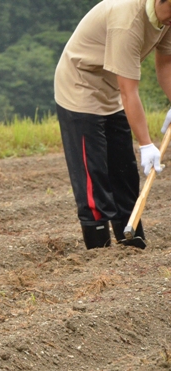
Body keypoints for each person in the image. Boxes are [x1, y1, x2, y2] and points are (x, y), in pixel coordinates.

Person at [54, 0, 171, 250]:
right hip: (80, 87)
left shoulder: (167, 18)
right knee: (93, 173)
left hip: (111, 88)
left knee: (123, 171)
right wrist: (146, 143)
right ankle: (98, 251)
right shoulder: (127, 22)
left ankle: (131, 241)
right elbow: (130, 92)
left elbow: (166, 64)